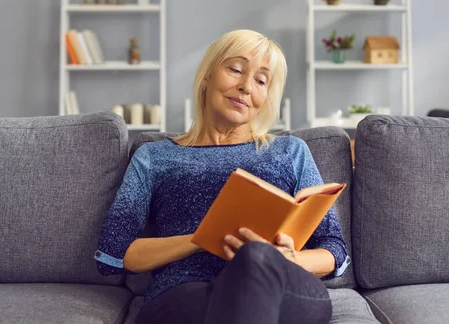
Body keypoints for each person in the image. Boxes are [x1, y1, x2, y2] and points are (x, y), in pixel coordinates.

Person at [94, 29, 350, 324]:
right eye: (236, 70)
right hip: (185, 294)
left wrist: (285, 259)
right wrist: (204, 237)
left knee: (255, 257)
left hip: (284, 287)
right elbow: (115, 252)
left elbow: (333, 250)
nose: (246, 87)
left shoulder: (290, 151)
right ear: (206, 76)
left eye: (261, 80)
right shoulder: (154, 157)